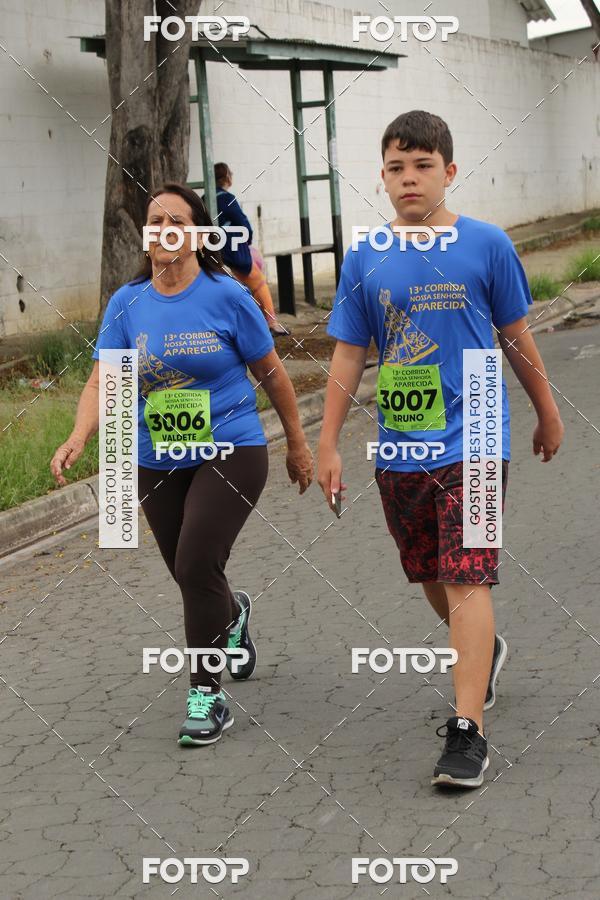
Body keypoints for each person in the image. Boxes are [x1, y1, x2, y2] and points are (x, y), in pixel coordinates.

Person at [317, 111, 564, 788]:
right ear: (382, 177)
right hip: (401, 444)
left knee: (466, 574)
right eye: (396, 167)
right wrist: (328, 442)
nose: (409, 179)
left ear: (449, 172)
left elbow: (516, 335)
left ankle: (467, 731)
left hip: (478, 430)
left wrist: (547, 411)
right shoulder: (367, 255)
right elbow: (349, 352)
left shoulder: (486, 245)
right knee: (430, 571)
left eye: (423, 166)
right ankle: (483, 651)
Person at [51, 182, 313, 747]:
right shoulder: (127, 303)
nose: (164, 229)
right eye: (155, 221)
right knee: (190, 573)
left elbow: (271, 373)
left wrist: (297, 443)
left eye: (177, 221)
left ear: (198, 236)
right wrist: (78, 435)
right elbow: (102, 380)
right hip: (156, 456)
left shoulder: (228, 296)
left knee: (195, 562)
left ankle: (207, 696)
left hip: (231, 449)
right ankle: (232, 617)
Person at [213, 162, 288, 337]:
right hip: (229, 252)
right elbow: (243, 224)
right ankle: (272, 323)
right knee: (258, 281)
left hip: (210, 251)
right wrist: (246, 240)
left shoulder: (203, 199)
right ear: (227, 178)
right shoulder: (226, 198)